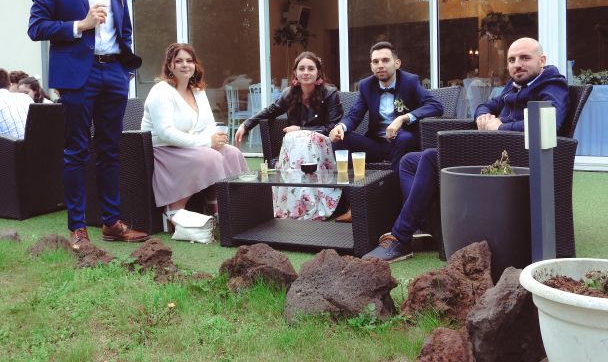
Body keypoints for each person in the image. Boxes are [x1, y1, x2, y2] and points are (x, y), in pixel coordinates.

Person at [363, 37, 569, 262]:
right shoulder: (516, 83)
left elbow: (549, 123)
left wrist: (501, 127)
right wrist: (482, 115)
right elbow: (488, 105)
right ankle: (423, 224)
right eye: (512, 59)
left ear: (542, 60)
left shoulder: (552, 84)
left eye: (525, 58)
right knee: (409, 161)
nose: (517, 64)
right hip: (498, 149)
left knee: (432, 157)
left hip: (520, 159)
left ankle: (400, 238)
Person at [28, 0, 148, 249]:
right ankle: (78, 227)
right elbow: (36, 27)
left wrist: (125, 67)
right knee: (76, 150)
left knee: (111, 150)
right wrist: (79, 25)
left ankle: (111, 222)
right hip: (77, 74)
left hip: (114, 73)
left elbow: (123, 27)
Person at [329, 41, 443, 221]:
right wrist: (340, 127)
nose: (380, 65)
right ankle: (354, 206)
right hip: (377, 144)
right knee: (341, 139)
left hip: (403, 143)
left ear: (397, 63)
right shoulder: (366, 85)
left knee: (404, 138)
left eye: (385, 60)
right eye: (375, 62)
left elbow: (436, 106)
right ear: (371, 66)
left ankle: (405, 211)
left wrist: (403, 118)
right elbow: (354, 115)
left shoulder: (410, 81)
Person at [141, 43, 248, 231]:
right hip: (164, 149)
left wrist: (213, 140)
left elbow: (208, 124)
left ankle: (222, 206)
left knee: (232, 153)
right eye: (178, 61)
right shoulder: (161, 91)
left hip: (190, 146)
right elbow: (166, 132)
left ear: (195, 65)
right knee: (212, 156)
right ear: (170, 66)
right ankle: (174, 208)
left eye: (189, 61)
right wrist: (207, 143)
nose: (185, 65)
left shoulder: (197, 90)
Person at [234, 51, 343, 220]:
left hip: (322, 145)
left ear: (318, 72)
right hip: (296, 147)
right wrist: (246, 125)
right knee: (293, 138)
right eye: (301, 68)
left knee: (298, 137)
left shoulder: (330, 94)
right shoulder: (290, 93)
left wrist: (301, 129)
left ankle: (310, 204)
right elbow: (269, 112)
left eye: (310, 68)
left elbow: (331, 127)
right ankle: (294, 205)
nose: (306, 72)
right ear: (295, 73)